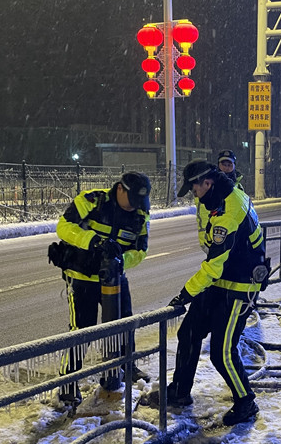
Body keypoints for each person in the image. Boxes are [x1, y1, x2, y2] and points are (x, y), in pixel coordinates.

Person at [151, 160, 268, 426]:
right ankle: (179, 392)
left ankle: (245, 402)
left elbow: (214, 265)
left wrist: (185, 294)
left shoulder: (230, 208)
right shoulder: (217, 198)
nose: (193, 193)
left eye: (194, 187)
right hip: (221, 281)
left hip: (240, 286)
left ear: (208, 182)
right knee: (189, 332)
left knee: (222, 352)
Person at [53, 172, 152, 405]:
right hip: (82, 276)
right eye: (132, 201)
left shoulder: (139, 214)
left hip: (115, 277)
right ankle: (68, 383)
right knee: (82, 330)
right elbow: (63, 227)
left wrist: (120, 262)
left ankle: (124, 368)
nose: (134, 208)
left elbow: (141, 250)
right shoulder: (92, 201)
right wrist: (92, 241)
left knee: (124, 324)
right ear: (120, 189)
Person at [196, 149, 242, 252]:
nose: (226, 168)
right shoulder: (210, 186)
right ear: (218, 165)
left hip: (236, 239)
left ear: (234, 166)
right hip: (217, 238)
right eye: (223, 164)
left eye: (229, 165)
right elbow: (203, 215)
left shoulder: (238, 187)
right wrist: (205, 241)